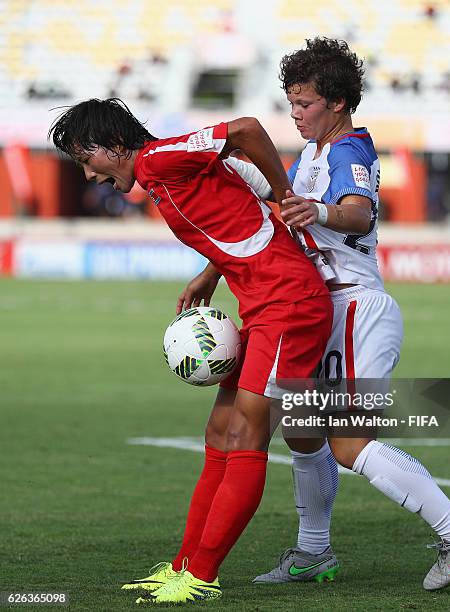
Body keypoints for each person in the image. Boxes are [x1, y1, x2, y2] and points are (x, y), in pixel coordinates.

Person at [165, 38, 450, 593]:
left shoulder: (349, 151)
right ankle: (313, 553)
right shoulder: (311, 154)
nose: (295, 114)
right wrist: (213, 271)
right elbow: (268, 220)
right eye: (291, 103)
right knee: (305, 435)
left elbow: (359, 215)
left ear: (337, 103)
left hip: (355, 305)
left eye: (305, 104)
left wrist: (317, 209)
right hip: (322, 308)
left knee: (347, 440)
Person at [49, 98, 333, 605]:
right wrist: (211, 271)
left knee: (246, 434)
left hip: (290, 305)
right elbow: (234, 210)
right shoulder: (161, 176)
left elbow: (245, 129)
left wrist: (286, 193)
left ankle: (201, 576)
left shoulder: (158, 158)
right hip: (262, 307)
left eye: (86, 160)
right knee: (220, 432)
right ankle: (181, 566)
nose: (89, 175)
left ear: (113, 146)